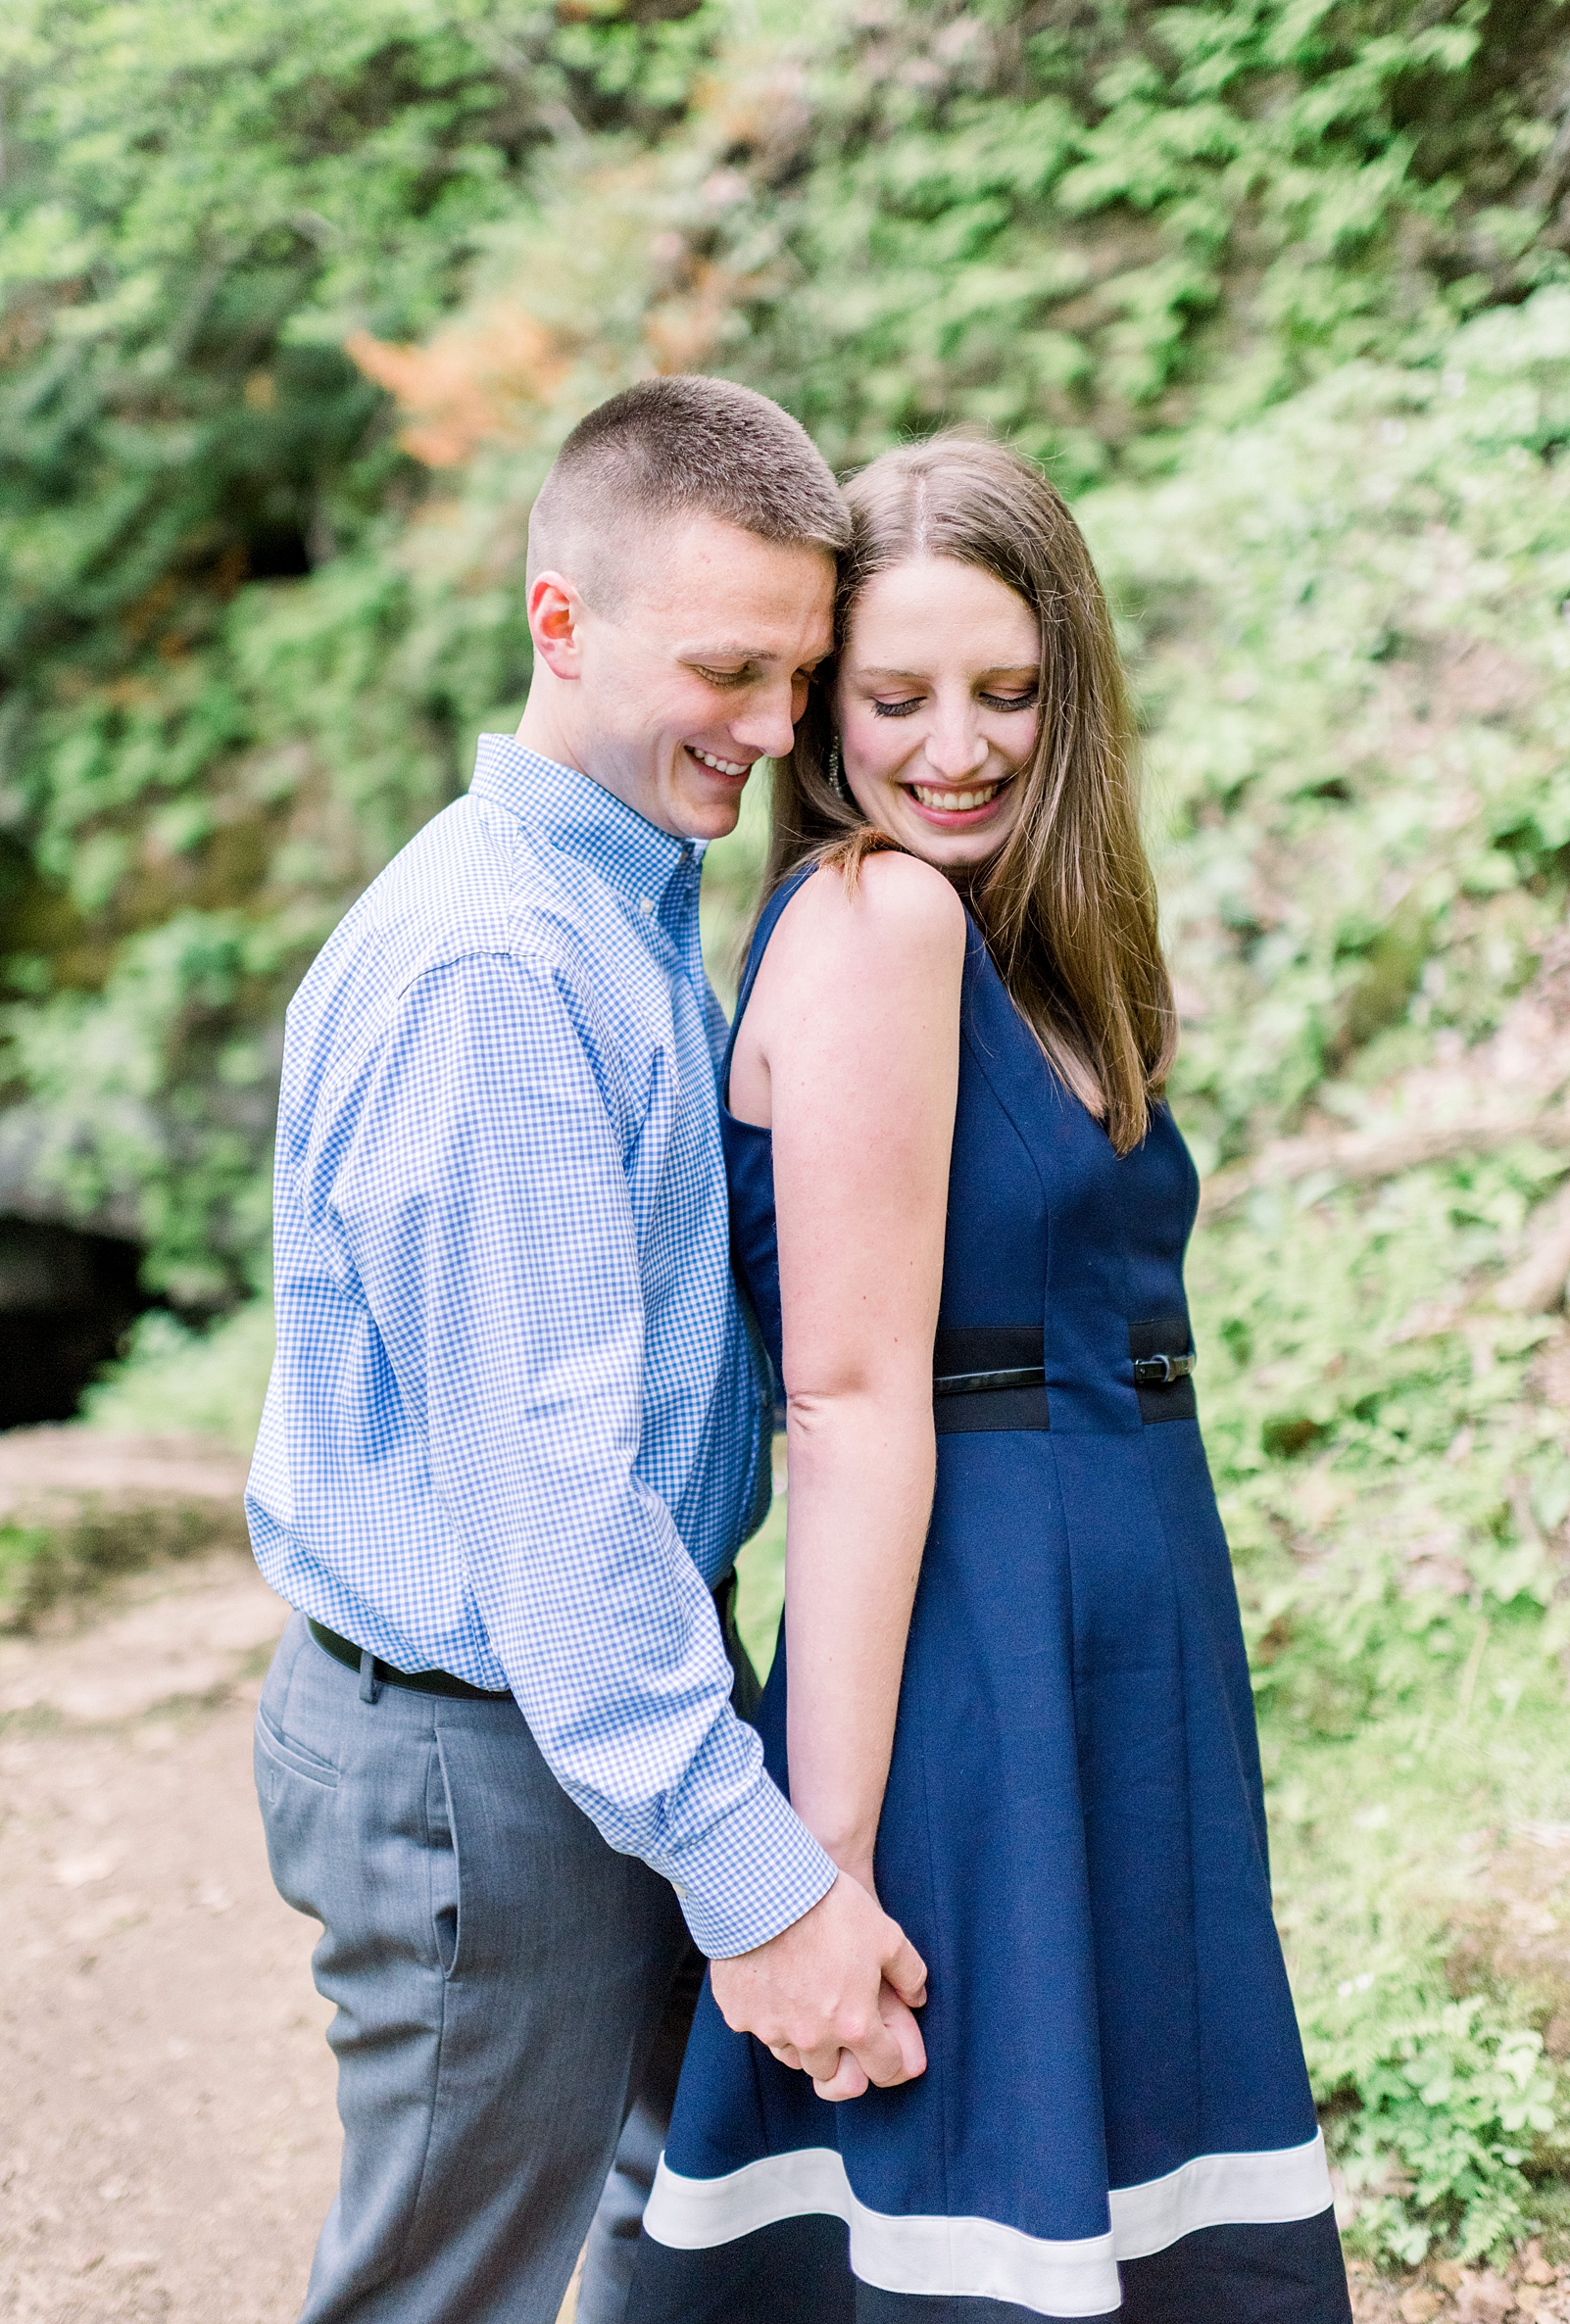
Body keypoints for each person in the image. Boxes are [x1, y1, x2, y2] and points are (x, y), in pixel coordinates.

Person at [630, 434, 1353, 2324]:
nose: (955, 745)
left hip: (1125, 1658)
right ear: (814, 717)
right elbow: (852, 1406)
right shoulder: (881, 921)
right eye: (894, 697)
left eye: (1007, 692)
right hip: (972, 1658)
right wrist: (816, 1869)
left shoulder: (1032, 946)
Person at [244, 375, 930, 2324]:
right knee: (446, 2294)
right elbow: (550, 1498)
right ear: (562, 623)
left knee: (674, 2243)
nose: (779, 729)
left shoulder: (619, 896)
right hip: (490, 1750)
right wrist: (766, 1877)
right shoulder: (498, 965)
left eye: (802, 673)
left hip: (578, 1719)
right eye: (728, 666)